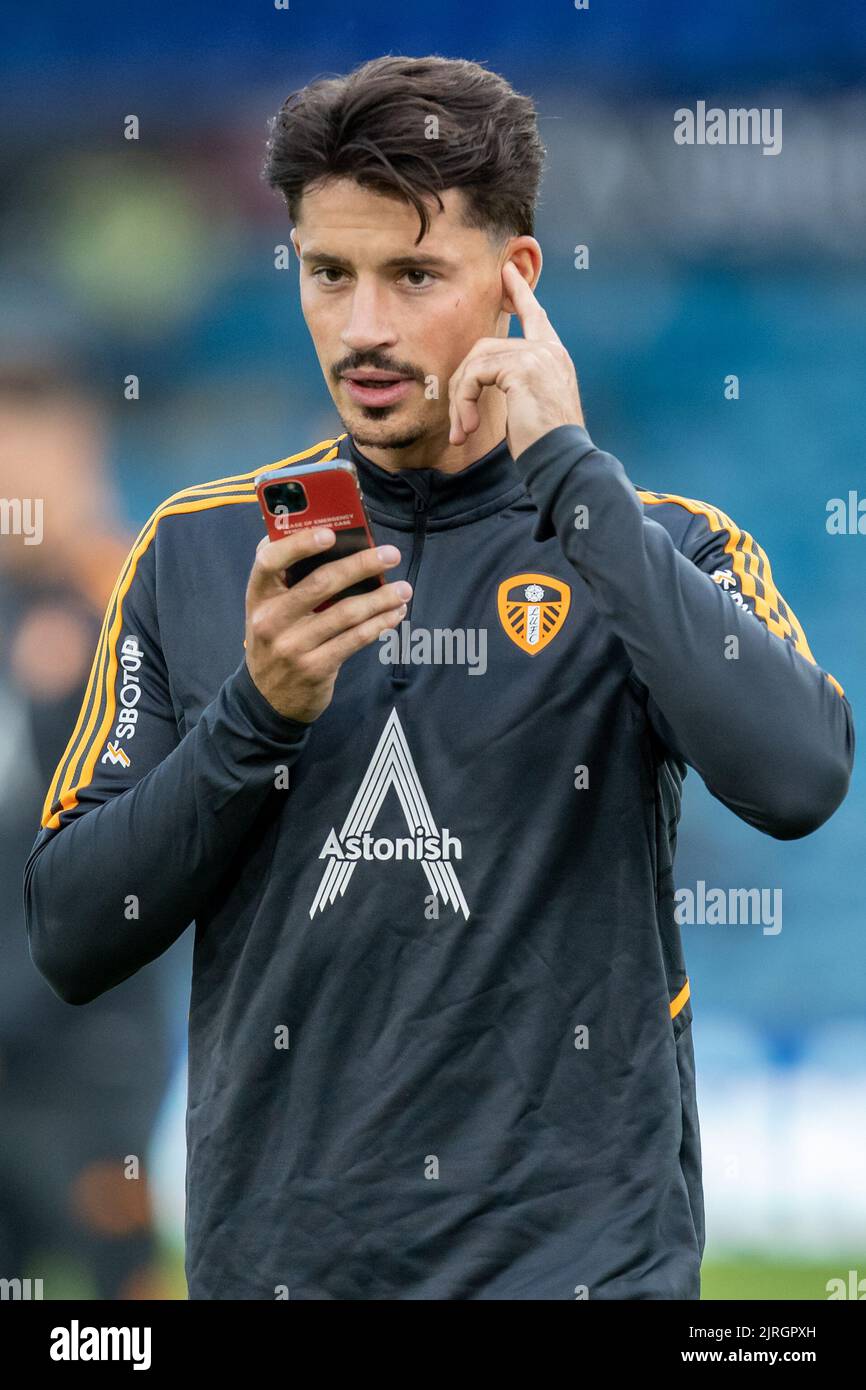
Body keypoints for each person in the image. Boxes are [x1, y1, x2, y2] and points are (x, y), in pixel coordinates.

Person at [24, 56, 853, 1300]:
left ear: (513, 279)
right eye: (327, 274)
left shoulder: (663, 544)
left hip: (582, 1271)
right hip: (283, 1271)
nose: (362, 327)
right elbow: (74, 932)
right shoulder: (198, 550)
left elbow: (797, 778)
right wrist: (255, 717)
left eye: (412, 275)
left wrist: (576, 485)